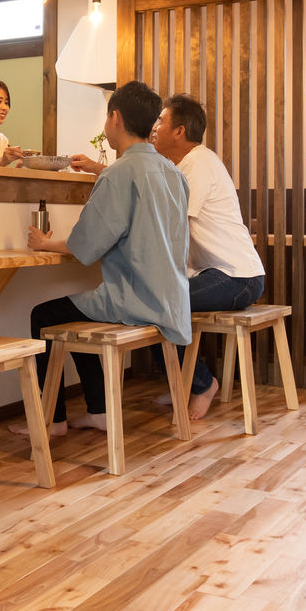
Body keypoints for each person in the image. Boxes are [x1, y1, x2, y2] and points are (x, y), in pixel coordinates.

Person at [21, 82, 191, 435]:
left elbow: (87, 245)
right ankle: (97, 411)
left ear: (115, 117)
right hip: (171, 300)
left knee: (44, 315)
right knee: (79, 312)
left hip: (134, 301)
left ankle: (52, 420)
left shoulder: (118, 173)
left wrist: (44, 242)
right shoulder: (175, 173)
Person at [151, 94, 266, 420]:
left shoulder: (198, 164)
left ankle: (201, 384)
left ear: (179, 131)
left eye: (161, 121)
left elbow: (179, 227)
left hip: (237, 276)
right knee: (153, 301)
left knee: (156, 303)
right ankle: (185, 383)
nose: (154, 127)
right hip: (220, 274)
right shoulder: (184, 164)